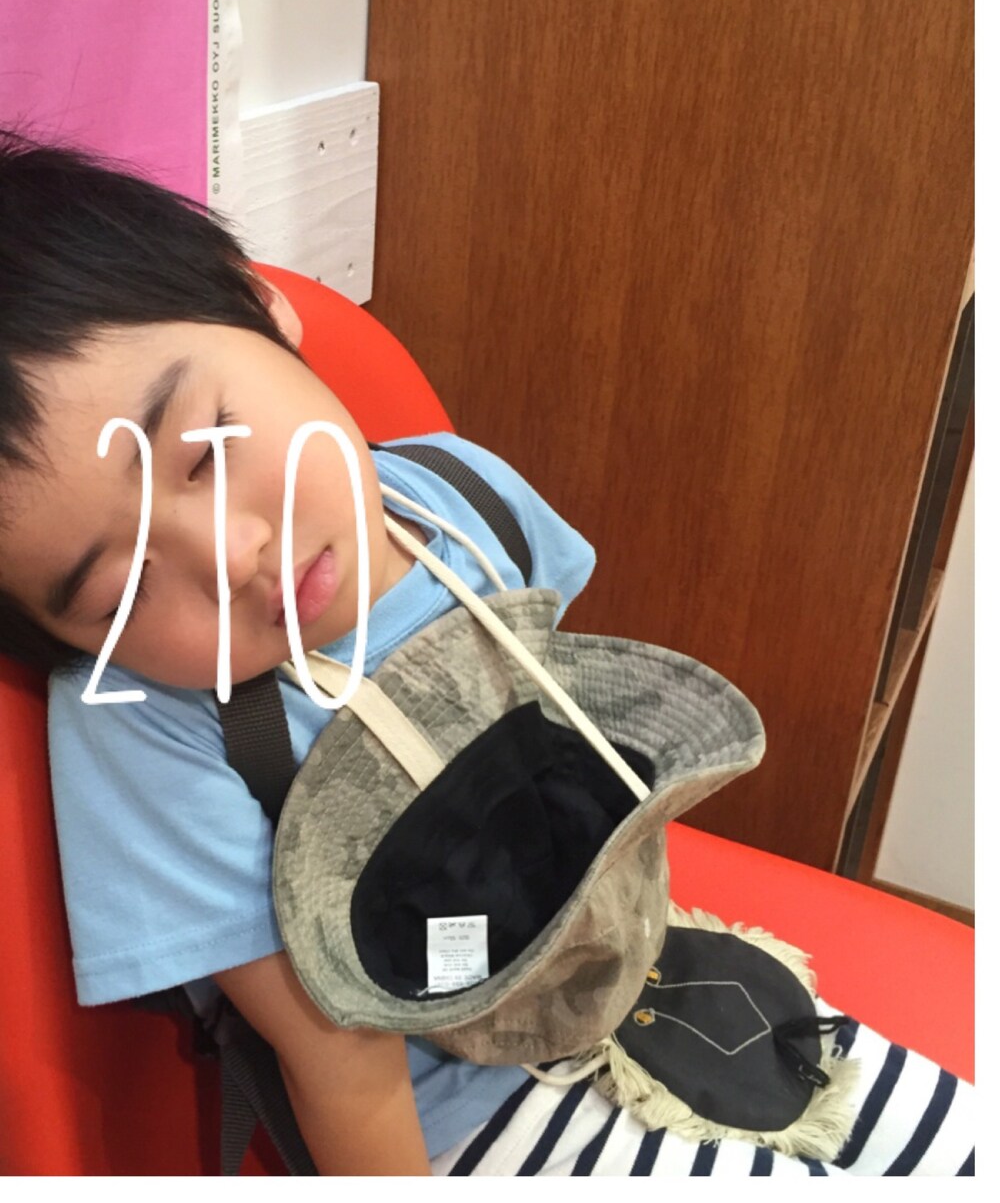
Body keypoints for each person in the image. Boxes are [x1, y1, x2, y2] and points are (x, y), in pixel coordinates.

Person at [0, 129, 974, 1177]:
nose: (233, 555)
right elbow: (337, 1057)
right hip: (469, 1114)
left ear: (263, 310)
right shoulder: (144, 723)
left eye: (206, 452)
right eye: (122, 587)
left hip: (642, 968)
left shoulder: (460, 498)